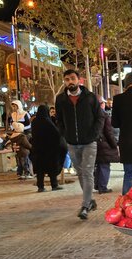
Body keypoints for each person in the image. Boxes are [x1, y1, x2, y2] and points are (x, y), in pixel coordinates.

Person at [55, 68, 104, 220]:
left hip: (89, 142)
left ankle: (84, 206)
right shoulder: (61, 100)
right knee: (81, 173)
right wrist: (65, 134)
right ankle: (90, 201)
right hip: (72, 143)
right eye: (67, 79)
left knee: (88, 172)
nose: (70, 82)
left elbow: (100, 118)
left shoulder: (90, 97)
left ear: (79, 80)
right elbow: (59, 120)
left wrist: (94, 135)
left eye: (72, 79)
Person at [30, 105, 67, 192]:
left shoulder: (35, 122)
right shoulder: (47, 122)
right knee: (52, 168)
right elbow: (56, 134)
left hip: (38, 149)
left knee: (40, 170)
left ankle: (40, 187)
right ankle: (54, 185)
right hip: (49, 150)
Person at [94, 98, 119, 193]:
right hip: (104, 144)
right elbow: (109, 132)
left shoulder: (91, 115)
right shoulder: (104, 115)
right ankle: (103, 187)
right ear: (102, 104)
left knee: (99, 165)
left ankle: (97, 185)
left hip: (94, 143)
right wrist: (114, 144)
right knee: (104, 165)